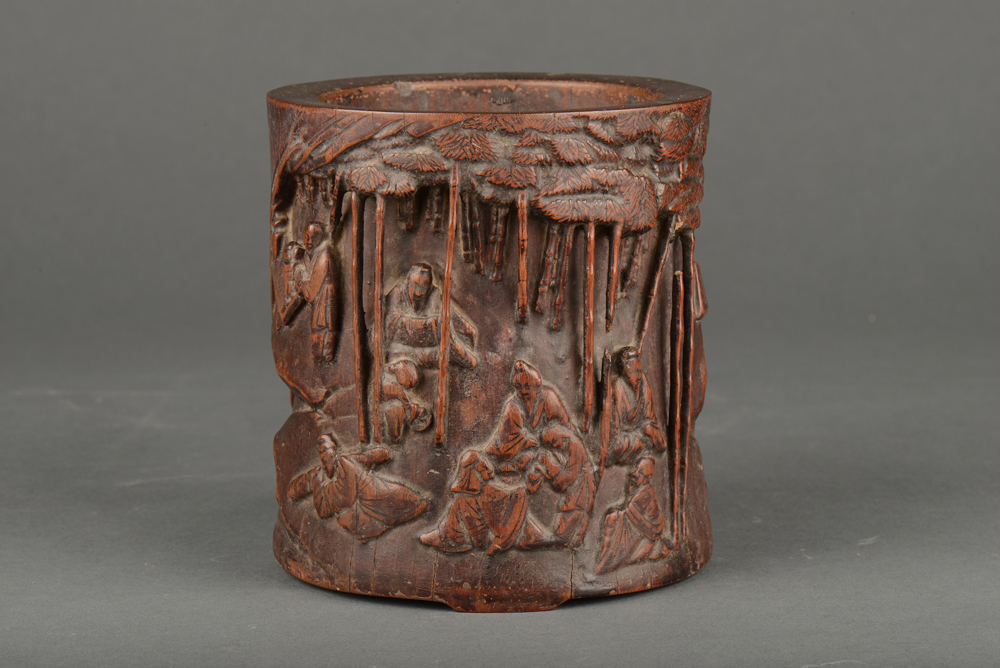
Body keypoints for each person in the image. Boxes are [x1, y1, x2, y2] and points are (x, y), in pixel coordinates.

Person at [287, 434, 428, 542]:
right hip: (360, 517)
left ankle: (422, 505)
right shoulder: (319, 479)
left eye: (329, 453)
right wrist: (315, 487)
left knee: (405, 498)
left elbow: (366, 457)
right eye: (323, 456)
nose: (327, 459)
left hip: (377, 492)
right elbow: (323, 511)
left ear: (334, 452)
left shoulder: (346, 462)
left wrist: (382, 454)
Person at [418, 450, 549, 556]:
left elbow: (480, 540)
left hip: (501, 530)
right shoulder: (470, 494)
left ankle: (448, 535)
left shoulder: (475, 493)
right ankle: (447, 534)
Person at [384, 263, 477, 369]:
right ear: (407, 282)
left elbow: (450, 314)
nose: (418, 293)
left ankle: (458, 352)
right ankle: (461, 355)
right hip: (401, 349)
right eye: (414, 286)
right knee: (439, 326)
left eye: (424, 288)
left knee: (440, 348)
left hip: (425, 350)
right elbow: (392, 325)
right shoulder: (397, 293)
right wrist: (432, 324)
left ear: (429, 287)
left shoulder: (434, 294)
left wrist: (469, 330)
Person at [594, 457, 669, 574]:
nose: (634, 473)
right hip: (639, 522)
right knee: (612, 517)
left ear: (647, 478)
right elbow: (629, 510)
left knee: (612, 518)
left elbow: (631, 515)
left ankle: (608, 559)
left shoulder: (645, 494)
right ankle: (604, 553)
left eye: (639, 472)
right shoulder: (639, 488)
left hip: (649, 527)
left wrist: (615, 515)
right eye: (636, 469)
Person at [528, 425, 598, 547]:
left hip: (581, 487)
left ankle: (565, 539)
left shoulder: (574, 444)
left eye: (553, 442)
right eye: (551, 445)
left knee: (574, 509)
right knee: (572, 509)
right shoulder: (568, 444)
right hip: (578, 486)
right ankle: (566, 539)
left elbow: (569, 477)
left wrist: (551, 466)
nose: (555, 447)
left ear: (560, 436)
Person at [606, 347, 667, 466]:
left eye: (638, 370)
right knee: (634, 444)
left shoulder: (642, 380)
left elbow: (650, 417)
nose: (637, 375)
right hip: (623, 438)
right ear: (624, 371)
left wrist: (649, 429)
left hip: (640, 431)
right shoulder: (617, 387)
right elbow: (614, 433)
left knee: (653, 435)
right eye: (633, 371)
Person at [298, 222, 337, 363]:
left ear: (320, 239)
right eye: (307, 237)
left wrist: (301, 283)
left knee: (322, 344)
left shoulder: (324, 257)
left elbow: (312, 291)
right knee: (319, 345)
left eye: (313, 239)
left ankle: (326, 368)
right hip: (319, 306)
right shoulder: (310, 255)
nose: (309, 242)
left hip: (324, 306)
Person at [380, 359, 432, 443]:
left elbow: (393, 438)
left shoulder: (400, 403)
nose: (418, 406)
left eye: (420, 411)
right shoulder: (400, 394)